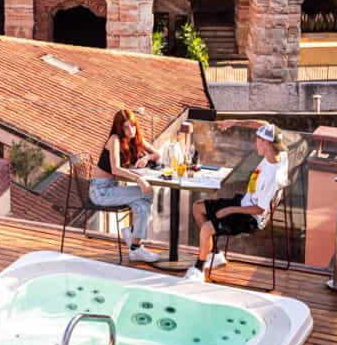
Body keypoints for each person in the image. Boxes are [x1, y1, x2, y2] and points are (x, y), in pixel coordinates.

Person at [183, 123, 289, 282]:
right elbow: (266, 125)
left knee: (206, 228)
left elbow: (259, 210)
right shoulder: (280, 155)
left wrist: (229, 210)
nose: (255, 143)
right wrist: (233, 120)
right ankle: (215, 254)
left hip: (250, 218)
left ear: (266, 143)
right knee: (198, 208)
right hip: (243, 202)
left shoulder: (273, 176)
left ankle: (198, 270)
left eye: (258, 139)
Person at [91, 108, 161, 263]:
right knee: (148, 192)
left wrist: (146, 158)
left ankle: (135, 247)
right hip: (100, 191)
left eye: (133, 125)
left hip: (113, 188)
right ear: (119, 128)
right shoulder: (114, 140)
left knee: (142, 205)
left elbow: (157, 155)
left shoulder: (135, 139)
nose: (131, 130)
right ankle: (132, 236)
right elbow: (115, 168)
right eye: (126, 127)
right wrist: (138, 179)